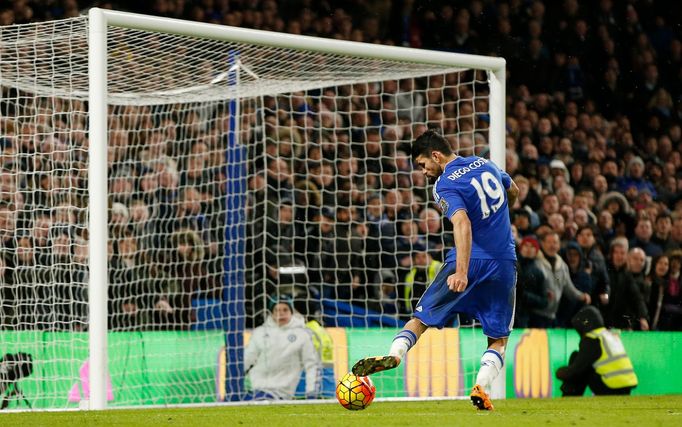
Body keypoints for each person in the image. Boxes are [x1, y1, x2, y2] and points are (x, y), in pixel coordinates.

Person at [352, 130, 519, 411]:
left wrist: (463, 271)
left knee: (422, 317)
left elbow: (462, 223)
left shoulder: (444, 184)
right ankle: (482, 385)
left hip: (467, 259)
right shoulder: (486, 163)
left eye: (422, 164)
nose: (423, 171)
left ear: (436, 156)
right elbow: (513, 190)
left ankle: (395, 354)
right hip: (504, 261)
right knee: (498, 337)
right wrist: (498, 217)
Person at [244, 297, 321, 400]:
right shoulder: (260, 332)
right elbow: (247, 359)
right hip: (254, 389)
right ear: (271, 313)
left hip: (281, 392)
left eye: (285, 310)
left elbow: (311, 365)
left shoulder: (302, 334)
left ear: (291, 312)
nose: (281, 313)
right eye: (277, 310)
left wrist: (311, 391)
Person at [556, 305, 638, 396]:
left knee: (577, 360)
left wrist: (559, 372)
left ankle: (569, 401)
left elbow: (577, 369)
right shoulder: (609, 335)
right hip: (626, 388)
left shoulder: (592, 339)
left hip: (610, 386)